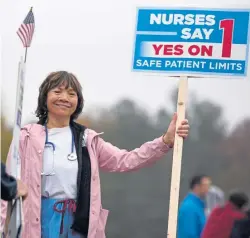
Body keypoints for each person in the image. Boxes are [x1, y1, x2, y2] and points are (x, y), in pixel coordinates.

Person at [1, 71, 190, 238]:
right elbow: (6, 184)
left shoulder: (88, 139)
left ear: (78, 101)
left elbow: (126, 160)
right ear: (45, 97)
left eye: (71, 93)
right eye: (57, 92)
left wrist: (165, 141)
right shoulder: (26, 136)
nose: (64, 98)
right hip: (38, 221)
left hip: (79, 223)